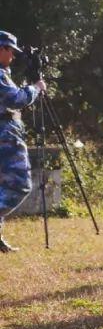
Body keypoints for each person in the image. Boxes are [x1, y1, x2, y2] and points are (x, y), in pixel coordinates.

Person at [0, 32, 46, 253]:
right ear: (2, 49)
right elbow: (16, 99)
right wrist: (35, 88)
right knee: (20, 184)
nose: (14, 57)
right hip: (5, 135)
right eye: (11, 51)